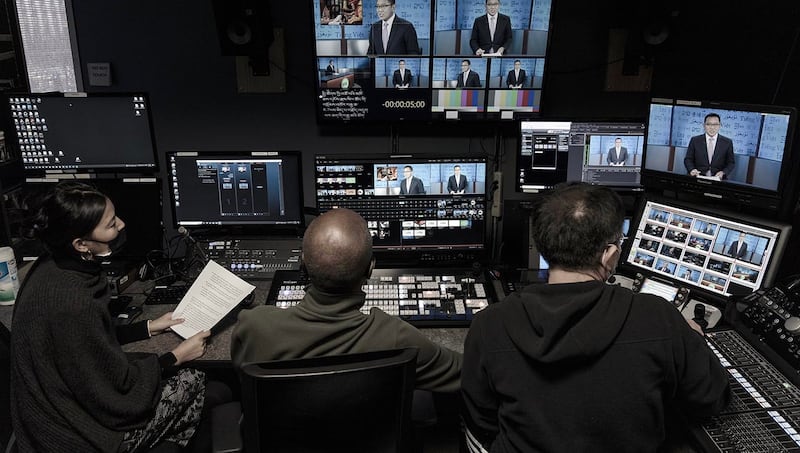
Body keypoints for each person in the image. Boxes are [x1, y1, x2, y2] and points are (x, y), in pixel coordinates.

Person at [461, 183, 730, 452]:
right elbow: (711, 398)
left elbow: (482, 421)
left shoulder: (489, 324)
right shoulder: (658, 317)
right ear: (609, 256)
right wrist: (693, 340)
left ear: (543, 247)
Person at [10, 182, 213, 453]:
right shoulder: (73, 301)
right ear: (81, 244)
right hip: (80, 438)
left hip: (52, 420)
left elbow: (86, 339)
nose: (121, 224)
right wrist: (176, 356)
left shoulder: (50, 267)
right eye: (111, 224)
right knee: (195, 378)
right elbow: (117, 395)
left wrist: (148, 327)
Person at [230, 208, 461, 393]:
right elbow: (464, 371)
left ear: (303, 263)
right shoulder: (398, 337)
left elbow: (244, 382)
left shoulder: (253, 326)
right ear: (370, 268)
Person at [684, 113, 735, 179]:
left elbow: (731, 163)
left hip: (718, 178)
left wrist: (723, 172)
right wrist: (692, 169)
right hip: (697, 177)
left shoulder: (727, 142)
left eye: (715, 124)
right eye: (708, 124)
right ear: (704, 125)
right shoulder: (695, 140)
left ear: (720, 125)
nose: (712, 127)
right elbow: (688, 159)